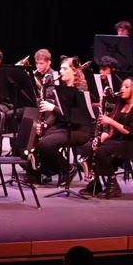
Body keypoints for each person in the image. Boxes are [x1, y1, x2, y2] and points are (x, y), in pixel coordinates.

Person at [83, 76, 133, 198]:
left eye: (126, 86)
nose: (122, 89)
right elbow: (112, 128)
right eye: (122, 86)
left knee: (101, 150)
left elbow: (130, 132)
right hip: (119, 141)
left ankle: (113, 183)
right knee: (89, 147)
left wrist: (110, 121)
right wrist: (105, 134)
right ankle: (95, 183)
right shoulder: (121, 106)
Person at [32, 57, 93, 186]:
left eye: (64, 68)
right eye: (60, 68)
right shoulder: (61, 88)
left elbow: (76, 116)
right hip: (65, 126)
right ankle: (35, 173)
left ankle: (68, 169)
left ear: (75, 71)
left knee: (45, 144)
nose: (60, 71)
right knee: (35, 136)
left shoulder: (80, 90)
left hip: (79, 129)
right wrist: (45, 124)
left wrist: (53, 107)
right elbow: (55, 115)